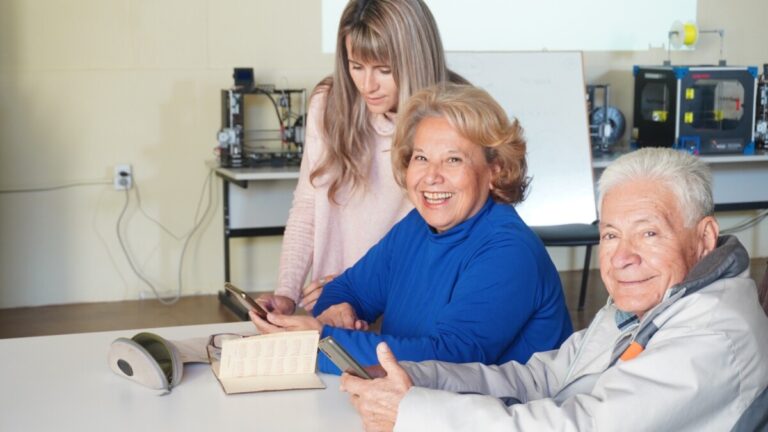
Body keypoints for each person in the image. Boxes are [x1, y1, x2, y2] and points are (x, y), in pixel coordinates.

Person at [340, 147, 768, 431]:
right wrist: (420, 378)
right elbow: (542, 378)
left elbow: (581, 426)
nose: (623, 257)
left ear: (705, 238)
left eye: (649, 234)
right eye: (611, 235)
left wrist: (414, 412)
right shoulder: (650, 304)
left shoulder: (712, 335)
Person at [252, 83, 573, 375]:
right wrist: (341, 312)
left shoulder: (509, 252)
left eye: (453, 160)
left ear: (495, 169)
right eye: (421, 157)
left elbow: (447, 361)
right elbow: (342, 291)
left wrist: (322, 342)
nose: (431, 176)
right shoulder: (417, 227)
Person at [259, 0, 467, 315]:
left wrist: (359, 285)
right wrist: (286, 294)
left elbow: (450, 242)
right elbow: (307, 208)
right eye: (356, 66)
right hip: (336, 305)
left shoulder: (457, 115)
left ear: (415, 60)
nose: (367, 85)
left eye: (384, 70)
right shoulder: (328, 105)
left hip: (411, 306)